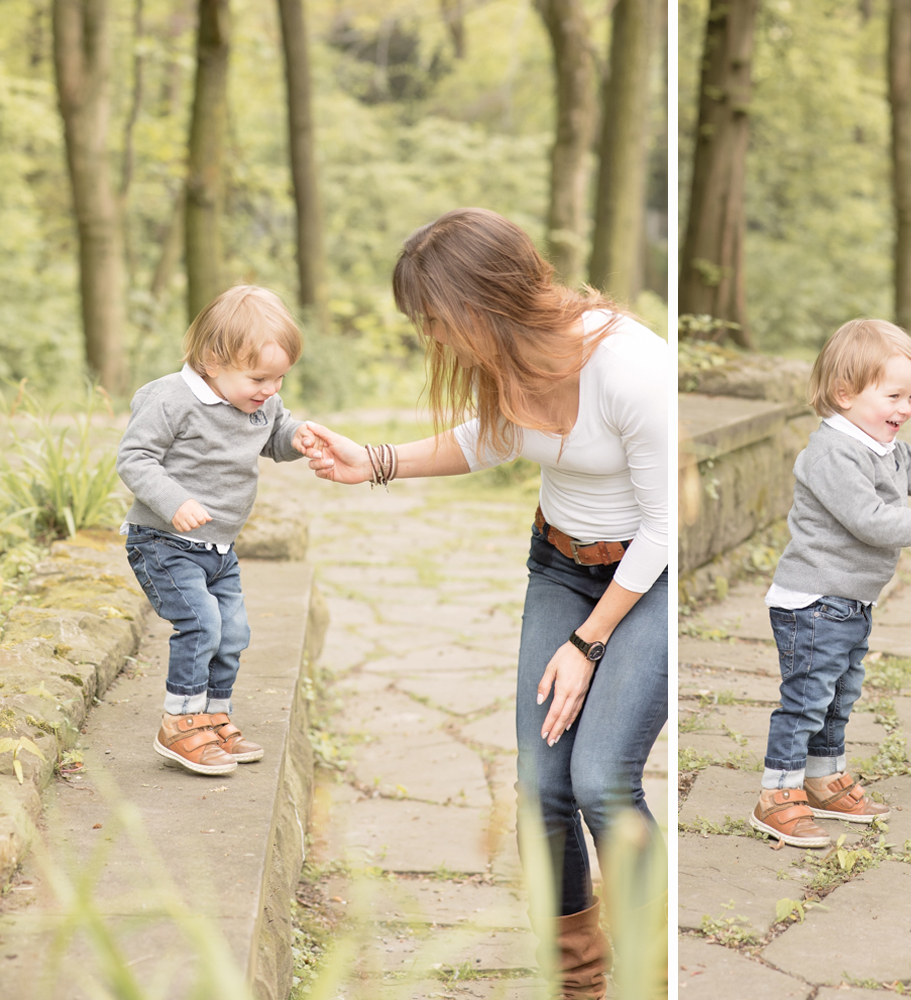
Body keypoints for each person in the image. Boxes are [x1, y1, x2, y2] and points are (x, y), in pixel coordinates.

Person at [301, 208, 667, 999]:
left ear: (480, 302)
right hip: (560, 566)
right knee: (542, 785)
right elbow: (493, 438)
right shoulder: (508, 359)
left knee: (602, 779)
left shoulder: (631, 366)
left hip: (649, 579)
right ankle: (580, 980)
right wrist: (375, 461)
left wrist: (589, 644)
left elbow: (666, 525)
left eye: (434, 319)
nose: (431, 337)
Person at [749, 319, 911, 847]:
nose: (905, 408)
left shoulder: (882, 446)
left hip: (851, 601)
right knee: (807, 699)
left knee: (840, 697)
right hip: (813, 601)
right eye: (894, 395)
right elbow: (872, 521)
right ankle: (777, 793)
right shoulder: (833, 453)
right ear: (845, 393)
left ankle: (822, 776)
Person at [118, 285, 315, 776]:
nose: (270, 390)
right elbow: (135, 458)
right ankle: (179, 725)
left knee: (233, 632)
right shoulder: (170, 400)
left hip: (219, 548)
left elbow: (276, 435)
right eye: (259, 377)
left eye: (280, 378)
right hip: (164, 542)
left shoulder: (260, 402)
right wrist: (174, 500)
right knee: (202, 623)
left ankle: (212, 715)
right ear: (211, 359)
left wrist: (300, 438)